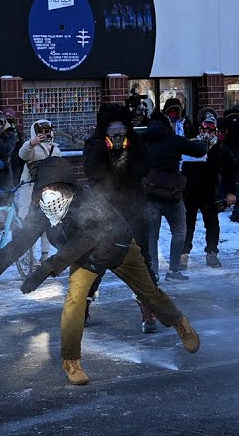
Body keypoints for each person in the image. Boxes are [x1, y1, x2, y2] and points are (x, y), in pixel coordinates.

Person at [0, 156, 200, 386]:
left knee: (150, 294)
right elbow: (20, 242)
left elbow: (84, 240)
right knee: (75, 302)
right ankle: (71, 361)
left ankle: (178, 321)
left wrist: (46, 268)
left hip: (118, 250)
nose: (50, 194)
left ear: (68, 185)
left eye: (55, 187)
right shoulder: (44, 210)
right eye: (45, 188)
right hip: (84, 260)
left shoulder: (89, 202)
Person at [83, 104, 156, 331]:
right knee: (96, 262)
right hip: (104, 212)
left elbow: (143, 169)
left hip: (134, 209)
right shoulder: (94, 143)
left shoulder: (136, 142)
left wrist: (129, 147)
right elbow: (92, 172)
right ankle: (82, 307)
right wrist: (103, 148)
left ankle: (148, 311)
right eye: (112, 128)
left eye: (121, 128)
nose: (117, 133)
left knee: (142, 261)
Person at [142, 109, 208, 282]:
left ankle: (153, 272)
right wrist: (206, 142)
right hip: (172, 194)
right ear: (167, 124)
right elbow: (199, 150)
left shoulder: (144, 140)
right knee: (179, 231)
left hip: (150, 193)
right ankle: (173, 271)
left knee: (152, 236)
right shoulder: (172, 139)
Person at [180, 114, 236, 269]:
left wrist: (231, 192)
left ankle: (212, 253)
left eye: (211, 130)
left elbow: (230, 172)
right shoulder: (193, 146)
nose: (207, 133)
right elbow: (183, 168)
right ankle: (183, 254)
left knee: (212, 224)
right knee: (187, 224)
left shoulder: (220, 149)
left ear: (215, 132)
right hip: (190, 192)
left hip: (210, 192)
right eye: (205, 129)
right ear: (200, 129)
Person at [17, 120, 63, 258]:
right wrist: (32, 143)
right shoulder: (31, 147)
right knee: (30, 223)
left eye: (47, 130)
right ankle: (28, 256)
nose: (44, 133)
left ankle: (45, 254)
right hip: (30, 190)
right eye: (41, 130)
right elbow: (22, 155)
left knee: (48, 223)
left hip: (49, 191)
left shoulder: (55, 149)